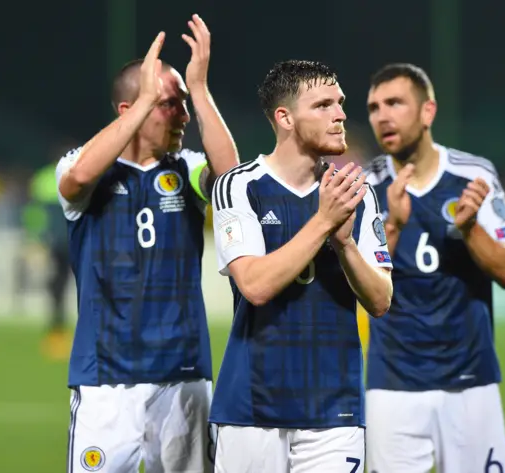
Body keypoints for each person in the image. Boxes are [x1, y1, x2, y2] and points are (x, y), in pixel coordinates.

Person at [56, 16, 239, 473]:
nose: (180, 116)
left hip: (183, 376)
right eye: (168, 104)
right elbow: (77, 179)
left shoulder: (189, 169)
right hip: (105, 381)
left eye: (181, 105)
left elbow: (231, 176)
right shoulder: (84, 168)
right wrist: (145, 103)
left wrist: (197, 90)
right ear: (130, 109)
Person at [210, 60, 393, 473]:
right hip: (251, 408)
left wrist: (345, 245)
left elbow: (382, 299)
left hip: (335, 411)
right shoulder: (240, 186)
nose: (341, 114)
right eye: (324, 105)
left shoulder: (357, 195)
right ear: (285, 117)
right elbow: (254, 285)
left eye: (341, 103)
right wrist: (324, 223)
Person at [363, 63, 505, 473]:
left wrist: (470, 229)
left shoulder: (474, 175)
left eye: (395, 103)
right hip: (392, 384)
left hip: (470, 382)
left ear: (427, 111)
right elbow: (357, 286)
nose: (383, 116)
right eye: (374, 107)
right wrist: (393, 226)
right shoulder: (363, 186)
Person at [23, 154, 72, 360]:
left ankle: (57, 329)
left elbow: (35, 211)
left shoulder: (43, 178)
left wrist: (35, 237)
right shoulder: (77, 172)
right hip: (67, 241)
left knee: (57, 285)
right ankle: (58, 330)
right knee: (59, 285)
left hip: (55, 241)